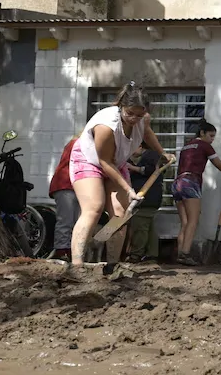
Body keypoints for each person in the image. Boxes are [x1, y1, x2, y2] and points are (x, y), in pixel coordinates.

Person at [69, 82, 173, 273]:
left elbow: (146, 133)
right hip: (89, 159)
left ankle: (111, 266)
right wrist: (128, 189)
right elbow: (104, 162)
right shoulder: (107, 126)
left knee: (121, 214)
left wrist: (162, 153)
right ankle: (76, 267)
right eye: (129, 114)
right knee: (94, 207)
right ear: (121, 107)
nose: (134, 119)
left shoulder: (143, 119)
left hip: (116, 162)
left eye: (139, 115)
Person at [171, 120, 221, 266]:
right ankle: (185, 254)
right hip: (190, 182)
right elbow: (220, 166)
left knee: (185, 222)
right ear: (202, 133)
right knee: (193, 220)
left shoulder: (187, 145)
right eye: (211, 136)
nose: (212, 140)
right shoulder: (204, 146)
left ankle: (180, 253)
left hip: (178, 183)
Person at [125, 143, 164, 263]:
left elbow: (151, 170)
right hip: (149, 198)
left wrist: (131, 167)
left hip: (146, 198)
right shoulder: (146, 157)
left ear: (141, 146)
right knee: (148, 228)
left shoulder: (151, 155)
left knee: (140, 227)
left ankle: (136, 255)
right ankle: (151, 255)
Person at [47, 136, 79, 262]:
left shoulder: (75, 142)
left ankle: (69, 250)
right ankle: (62, 251)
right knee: (66, 220)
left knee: (73, 220)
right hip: (66, 184)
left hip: (71, 185)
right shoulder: (78, 143)